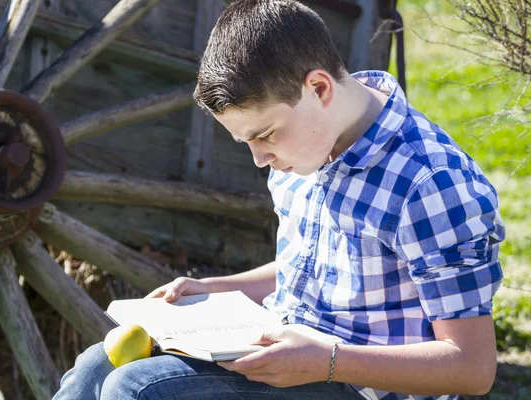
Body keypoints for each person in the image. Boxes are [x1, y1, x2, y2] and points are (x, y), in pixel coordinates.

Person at [52, 0, 505, 399]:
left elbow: (471, 366)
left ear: (319, 88)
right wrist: (215, 289)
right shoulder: (304, 149)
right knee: (98, 366)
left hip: (361, 385)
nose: (259, 159)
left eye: (265, 135)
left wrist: (327, 360)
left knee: (135, 389)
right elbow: (317, 267)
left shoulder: (431, 183)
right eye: (245, 142)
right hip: (286, 350)